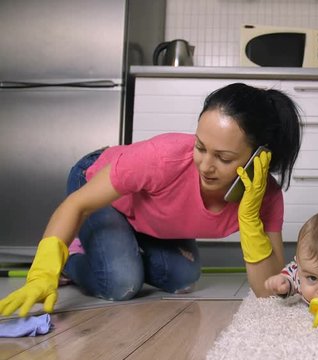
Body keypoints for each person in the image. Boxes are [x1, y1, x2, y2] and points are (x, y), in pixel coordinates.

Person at [0, 83, 302, 317]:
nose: (206, 166)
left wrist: (249, 220)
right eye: (200, 147)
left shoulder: (266, 198)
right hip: (97, 184)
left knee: (183, 276)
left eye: (223, 158)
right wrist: (42, 273)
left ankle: (119, 246)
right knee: (121, 282)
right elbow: (76, 204)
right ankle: (76, 260)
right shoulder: (163, 158)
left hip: (148, 216)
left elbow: (268, 289)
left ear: (260, 158)